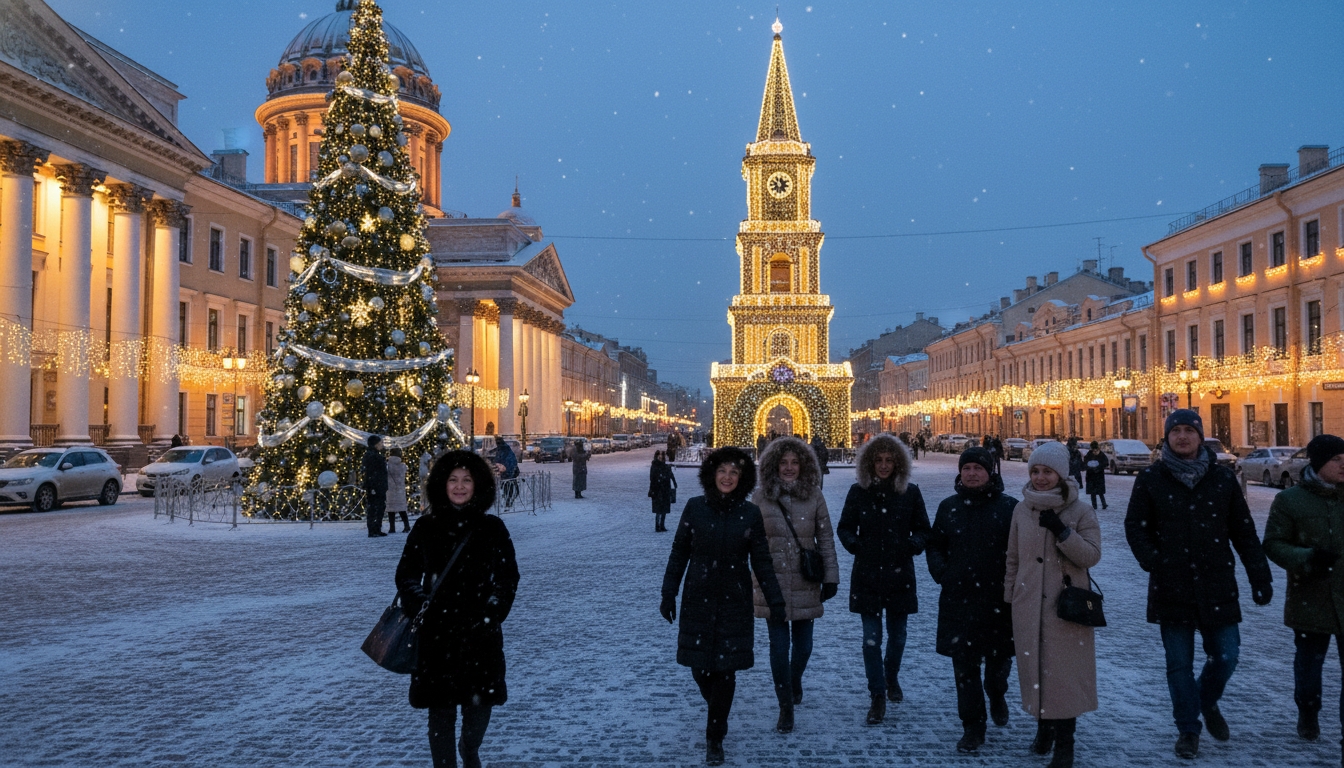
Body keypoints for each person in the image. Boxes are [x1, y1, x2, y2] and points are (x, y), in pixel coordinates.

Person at [1124, 409, 1273, 759]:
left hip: (1216, 581)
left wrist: (1259, 574)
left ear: (1200, 436)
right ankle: (1188, 729)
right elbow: (1135, 526)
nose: (1183, 437)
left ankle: (1206, 700)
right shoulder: (1151, 479)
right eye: (1176, 431)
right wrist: (1154, 559)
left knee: (1226, 656)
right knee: (1179, 664)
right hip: (1171, 584)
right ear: (1167, 438)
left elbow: (1243, 530)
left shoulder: (1222, 479)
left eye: (1190, 430)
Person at [661, 447, 786, 766]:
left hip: (735, 598)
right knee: (699, 668)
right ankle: (718, 709)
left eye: (734, 472)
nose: (727, 477)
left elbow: (761, 560)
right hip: (698, 595)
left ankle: (714, 736)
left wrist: (775, 599)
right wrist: (668, 592)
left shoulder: (750, 513)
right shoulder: (694, 508)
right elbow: (679, 553)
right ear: (712, 474)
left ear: (741, 478)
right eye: (722, 471)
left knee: (726, 671)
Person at [395, 450, 519, 768]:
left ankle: (470, 746)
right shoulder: (426, 527)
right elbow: (406, 574)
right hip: (438, 638)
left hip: (481, 636)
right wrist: (420, 602)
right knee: (441, 716)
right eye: (453, 480)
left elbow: (507, 578)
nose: (460, 486)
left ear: (477, 485)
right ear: (442, 484)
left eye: (467, 480)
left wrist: (492, 612)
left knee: (478, 713)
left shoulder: (492, 529)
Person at [1004, 441, 1101, 768]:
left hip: (1067, 607)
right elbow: (1013, 559)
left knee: (1064, 678)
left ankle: (1065, 746)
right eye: (1035, 470)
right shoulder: (1021, 509)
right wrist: (1010, 596)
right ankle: (1044, 729)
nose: (1040, 477)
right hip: (1028, 603)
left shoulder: (1080, 510)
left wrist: (1063, 533)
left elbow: (1091, 556)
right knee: (1036, 672)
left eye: (1047, 471)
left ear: (1061, 474)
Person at [927, 447, 1018, 753]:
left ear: (990, 472)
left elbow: (1020, 552)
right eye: (967, 468)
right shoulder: (949, 507)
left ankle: (997, 694)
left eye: (978, 468)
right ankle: (973, 728)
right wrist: (943, 572)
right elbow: (935, 545)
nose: (972, 474)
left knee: (997, 666)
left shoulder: (1009, 508)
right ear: (960, 472)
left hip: (999, 602)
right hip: (959, 599)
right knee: (964, 670)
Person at [837, 433, 930, 725]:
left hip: (899, 572)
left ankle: (890, 676)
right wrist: (857, 545)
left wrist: (912, 545)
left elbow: (923, 530)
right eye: (878, 460)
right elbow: (845, 528)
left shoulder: (910, 493)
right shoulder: (858, 492)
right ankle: (877, 694)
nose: (884, 465)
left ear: (899, 463)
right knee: (870, 639)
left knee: (898, 636)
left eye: (890, 460)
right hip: (867, 573)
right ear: (869, 462)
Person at [751, 436, 840, 734]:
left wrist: (831, 576)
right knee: (778, 646)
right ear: (774, 465)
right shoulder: (761, 497)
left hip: (805, 579)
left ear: (803, 465)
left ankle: (794, 678)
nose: (789, 468)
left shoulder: (814, 495)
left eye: (795, 462)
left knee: (803, 646)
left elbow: (825, 538)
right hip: (772, 582)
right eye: (783, 462)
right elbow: (752, 541)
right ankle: (785, 705)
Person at [1262, 434, 1344, 754]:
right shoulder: (1290, 500)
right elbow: (1273, 544)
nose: (1343, 465)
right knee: (1309, 667)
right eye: (1336, 459)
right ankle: (1308, 713)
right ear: (1319, 463)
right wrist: (1307, 558)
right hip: (1310, 598)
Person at [362, 435, 389, 538]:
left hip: (377, 485)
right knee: (375, 508)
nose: (382, 445)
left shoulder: (373, 455)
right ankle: (373, 530)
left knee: (377, 508)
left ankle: (376, 529)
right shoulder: (374, 457)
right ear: (376, 444)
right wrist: (373, 486)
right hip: (376, 486)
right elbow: (372, 473)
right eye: (381, 443)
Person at [649, 450, 677, 532]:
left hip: (665, 489)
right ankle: (658, 526)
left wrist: (674, 482)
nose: (661, 458)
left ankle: (662, 525)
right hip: (657, 489)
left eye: (662, 456)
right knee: (658, 509)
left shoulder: (665, 466)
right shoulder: (655, 466)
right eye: (660, 456)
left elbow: (671, 474)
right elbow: (652, 478)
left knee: (664, 508)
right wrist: (659, 479)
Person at [386, 446, 409, 533]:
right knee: (402, 508)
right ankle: (406, 526)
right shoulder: (403, 466)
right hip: (400, 489)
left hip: (390, 489)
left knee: (390, 509)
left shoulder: (387, 465)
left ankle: (392, 528)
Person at [1083, 441, 1109, 510]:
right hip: (1095, 475)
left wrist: (1096, 467)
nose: (1094, 451)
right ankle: (1099, 505)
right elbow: (1085, 463)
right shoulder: (1097, 454)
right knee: (1096, 492)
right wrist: (1093, 467)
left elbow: (1105, 463)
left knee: (1096, 492)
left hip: (1094, 475)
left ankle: (1099, 505)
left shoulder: (1095, 454)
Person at [494, 441, 520, 508]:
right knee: (510, 488)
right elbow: (513, 461)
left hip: (506, 473)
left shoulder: (501, 451)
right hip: (510, 472)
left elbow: (498, 460)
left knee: (506, 488)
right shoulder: (507, 450)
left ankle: (507, 501)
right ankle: (508, 501)